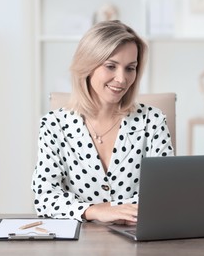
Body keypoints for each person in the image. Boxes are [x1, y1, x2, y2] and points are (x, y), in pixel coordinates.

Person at [31, 20, 174, 224]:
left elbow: (165, 192)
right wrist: (95, 211)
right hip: (79, 243)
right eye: (110, 66)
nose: (122, 79)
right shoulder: (54, 125)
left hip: (138, 240)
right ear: (88, 66)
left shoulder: (152, 120)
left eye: (130, 68)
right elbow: (44, 197)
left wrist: (113, 211)